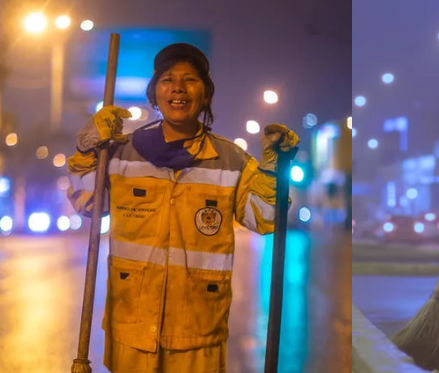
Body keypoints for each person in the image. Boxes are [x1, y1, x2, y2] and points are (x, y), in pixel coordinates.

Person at [66, 43, 299, 373]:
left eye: (190, 79)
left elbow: (264, 217)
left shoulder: (231, 161)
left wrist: (274, 169)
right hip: (130, 330)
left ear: (205, 94)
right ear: (155, 94)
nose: (178, 88)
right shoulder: (120, 155)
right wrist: (87, 151)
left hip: (198, 334)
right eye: (167, 80)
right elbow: (89, 205)